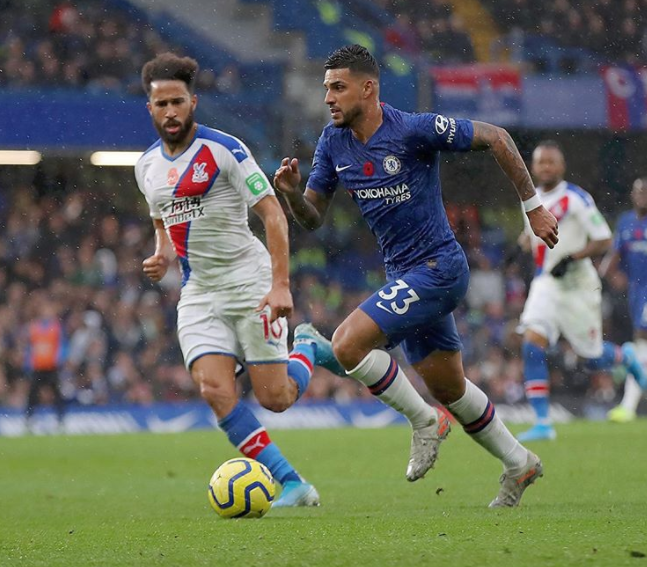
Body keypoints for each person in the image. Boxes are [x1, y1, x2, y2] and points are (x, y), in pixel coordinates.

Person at [273, 44, 559, 507]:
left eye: (338, 88)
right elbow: (312, 218)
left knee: (347, 344)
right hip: (404, 275)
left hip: (440, 267)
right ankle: (519, 463)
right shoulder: (332, 142)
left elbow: (499, 138)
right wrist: (290, 195)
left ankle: (425, 422)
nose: (328, 97)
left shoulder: (413, 130)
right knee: (450, 388)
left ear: (368, 88)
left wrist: (533, 209)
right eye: (326, 88)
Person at [135, 53, 319, 507]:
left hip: (249, 283)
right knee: (214, 389)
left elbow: (273, 215)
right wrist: (161, 253)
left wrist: (280, 285)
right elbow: (161, 215)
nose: (171, 112)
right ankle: (291, 482)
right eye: (162, 104)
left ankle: (311, 346)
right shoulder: (145, 166)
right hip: (199, 292)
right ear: (150, 108)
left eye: (178, 102)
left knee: (276, 398)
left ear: (193, 102)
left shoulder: (225, 150)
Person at [516, 141, 647, 441]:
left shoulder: (576, 198)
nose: (546, 167)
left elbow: (603, 239)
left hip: (579, 286)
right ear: (533, 167)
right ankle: (542, 424)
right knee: (531, 343)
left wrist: (572, 257)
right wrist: (522, 245)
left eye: (552, 162)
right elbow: (531, 236)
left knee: (591, 359)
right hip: (546, 283)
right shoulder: (529, 200)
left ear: (561, 167)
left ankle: (625, 357)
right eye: (541, 162)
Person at [600, 176, 647, 422]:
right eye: (638, 191)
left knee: (641, 340)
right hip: (637, 294)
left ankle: (628, 406)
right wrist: (612, 274)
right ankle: (629, 404)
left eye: (646, 192)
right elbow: (612, 260)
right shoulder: (626, 222)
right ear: (632, 195)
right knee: (640, 343)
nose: (642, 196)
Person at [24, 297, 67, 432]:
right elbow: (30, 347)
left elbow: (63, 346)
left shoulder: (56, 328)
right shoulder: (34, 328)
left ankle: (60, 419)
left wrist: (59, 359)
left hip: (51, 367)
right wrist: (28, 362)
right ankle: (30, 419)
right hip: (38, 367)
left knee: (56, 393)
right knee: (33, 393)